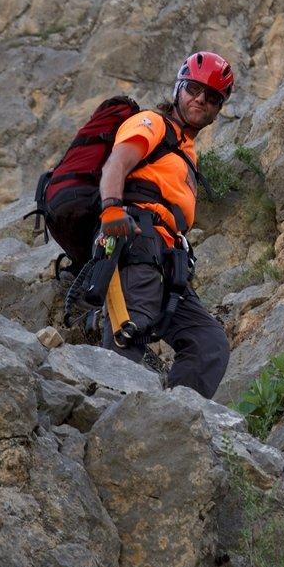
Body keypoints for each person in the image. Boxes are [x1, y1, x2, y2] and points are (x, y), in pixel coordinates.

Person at [96, 51, 233, 398]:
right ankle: (115, 414)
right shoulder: (152, 123)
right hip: (137, 242)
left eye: (211, 97)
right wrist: (111, 209)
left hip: (169, 260)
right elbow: (116, 164)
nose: (200, 99)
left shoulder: (187, 153)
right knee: (130, 330)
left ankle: (176, 416)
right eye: (193, 89)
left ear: (218, 109)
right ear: (178, 88)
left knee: (208, 343)